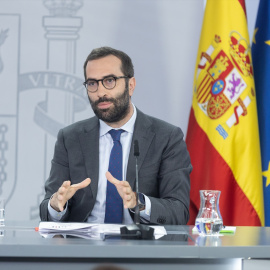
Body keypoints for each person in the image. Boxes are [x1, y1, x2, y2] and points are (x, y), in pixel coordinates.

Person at [39, 47, 192, 225]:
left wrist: (139, 202)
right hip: (84, 248)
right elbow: (47, 210)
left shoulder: (166, 137)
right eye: (92, 83)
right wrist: (57, 205)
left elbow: (179, 211)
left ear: (131, 85)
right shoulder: (70, 138)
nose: (100, 92)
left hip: (142, 249)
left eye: (109, 80)